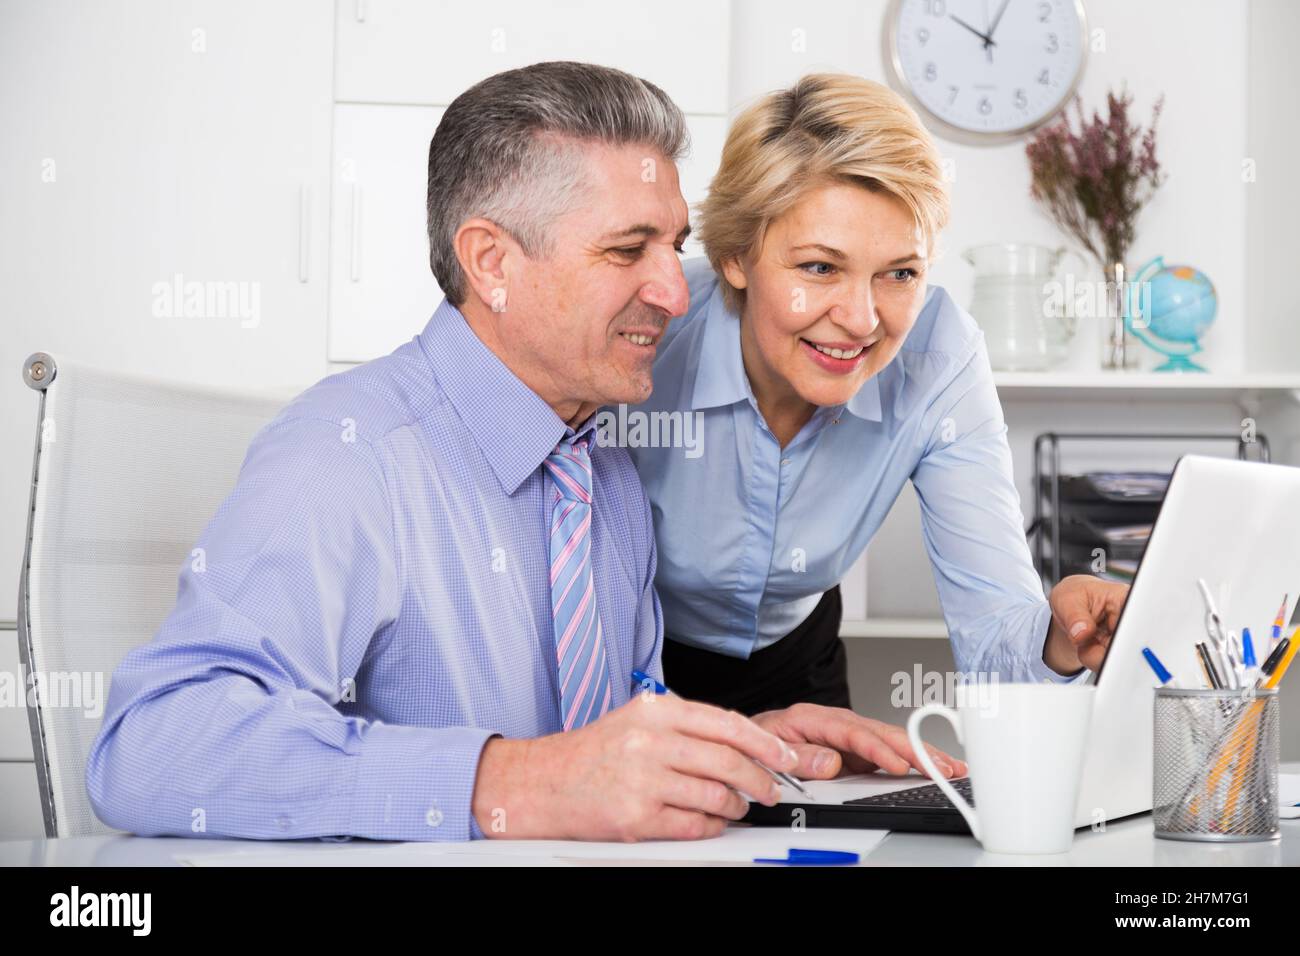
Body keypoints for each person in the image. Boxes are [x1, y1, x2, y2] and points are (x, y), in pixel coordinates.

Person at [86, 62, 962, 845]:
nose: (671, 291)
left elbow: (598, 755)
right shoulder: (350, 457)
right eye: (628, 250)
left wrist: (743, 750)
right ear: (491, 261)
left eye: (674, 249)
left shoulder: (606, 466)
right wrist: (508, 782)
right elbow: (148, 746)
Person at [624, 74, 1129, 718]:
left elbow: (995, 629)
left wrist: (1059, 639)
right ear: (736, 257)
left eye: (900, 273)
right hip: (636, 658)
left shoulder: (939, 356)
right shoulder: (649, 331)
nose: (862, 319)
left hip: (796, 663)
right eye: (820, 267)